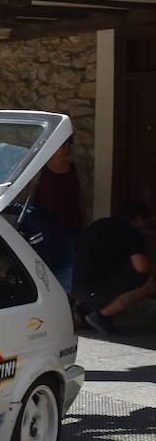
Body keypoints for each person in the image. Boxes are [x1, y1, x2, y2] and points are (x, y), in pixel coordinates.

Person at [73, 200, 155, 334]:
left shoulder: (100, 223)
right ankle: (102, 316)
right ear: (140, 218)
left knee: (95, 269)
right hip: (90, 287)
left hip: (71, 286)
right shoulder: (131, 231)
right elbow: (141, 268)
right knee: (148, 282)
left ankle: (80, 309)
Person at [32, 137, 83, 291]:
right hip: (46, 227)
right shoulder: (41, 170)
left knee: (68, 268)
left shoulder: (74, 169)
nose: (66, 149)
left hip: (70, 225)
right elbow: (30, 197)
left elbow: (80, 197)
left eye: (69, 145)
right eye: (62, 145)